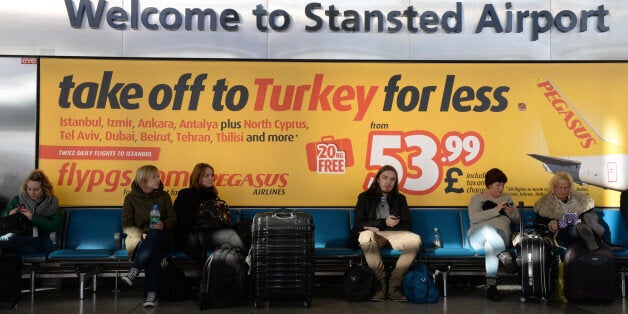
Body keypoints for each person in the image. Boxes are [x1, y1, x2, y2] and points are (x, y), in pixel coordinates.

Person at [349, 165, 422, 302]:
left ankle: (394, 285)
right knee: (365, 236)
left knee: (415, 239)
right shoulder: (365, 197)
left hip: (394, 236)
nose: (388, 182)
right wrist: (382, 223)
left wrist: (383, 227)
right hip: (373, 236)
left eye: (392, 179)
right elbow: (358, 224)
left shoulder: (400, 199)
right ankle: (380, 284)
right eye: (385, 178)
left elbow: (407, 225)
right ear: (377, 179)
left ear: (395, 183)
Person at [120, 165, 177, 308]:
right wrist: (141, 235)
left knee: (156, 233)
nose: (159, 179)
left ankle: (135, 269)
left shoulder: (164, 196)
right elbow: (126, 225)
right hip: (141, 240)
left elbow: (173, 217)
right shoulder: (131, 198)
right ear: (143, 180)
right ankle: (152, 294)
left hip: (162, 236)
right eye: (154, 177)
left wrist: (163, 224)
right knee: (154, 252)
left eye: (158, 176)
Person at [173, 163, 246, 269]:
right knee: (231, 235)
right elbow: (183, 220)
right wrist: (207, 210)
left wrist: (219, 210)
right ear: (198, 177)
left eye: (212, 175)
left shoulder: (212, 194)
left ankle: (226, 278)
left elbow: (218, 221)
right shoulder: (186, 194)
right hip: (195, 235)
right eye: (206, 176)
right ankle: (251, 263)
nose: (211, 178)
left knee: (230, 249)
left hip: (211, 233)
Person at [467, 168, 519, 302]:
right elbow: (473, 218)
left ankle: (492, 287)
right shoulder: (477, 198)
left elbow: (517, 221)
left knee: (490, 246)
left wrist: (512, 212)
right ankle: (504, 255)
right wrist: (496, 210)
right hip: (478, 235)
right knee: (487, 228)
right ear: (489, 185)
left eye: (503, 185)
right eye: (498, 185)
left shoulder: (507, 198)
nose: (501, 188)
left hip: (501, 235)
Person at [534, 172, 604, 251]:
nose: (563, 191)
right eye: (560, 188)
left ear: (570, 187)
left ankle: (591, 224)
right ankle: (584, 230)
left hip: (581, 223)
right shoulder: (545, 204)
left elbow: (586, 209)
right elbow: (539, 222)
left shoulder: (580, 199)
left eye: (566, 187)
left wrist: (580, 218)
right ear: (554, 188)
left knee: (588, 214)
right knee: (571, 225)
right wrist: (550, 225)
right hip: (563, 232)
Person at [0, 169, 61, 255]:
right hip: (15, 234)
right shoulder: (17, 200)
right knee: (9, 239)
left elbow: (56, 226)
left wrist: (33, 218)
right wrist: (9, 214)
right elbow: (2, 218)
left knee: (10, 240)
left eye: (36, 190)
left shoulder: (51, 204)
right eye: (29, 189)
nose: (32, 193)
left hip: (35, 241)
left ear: (44, 189)